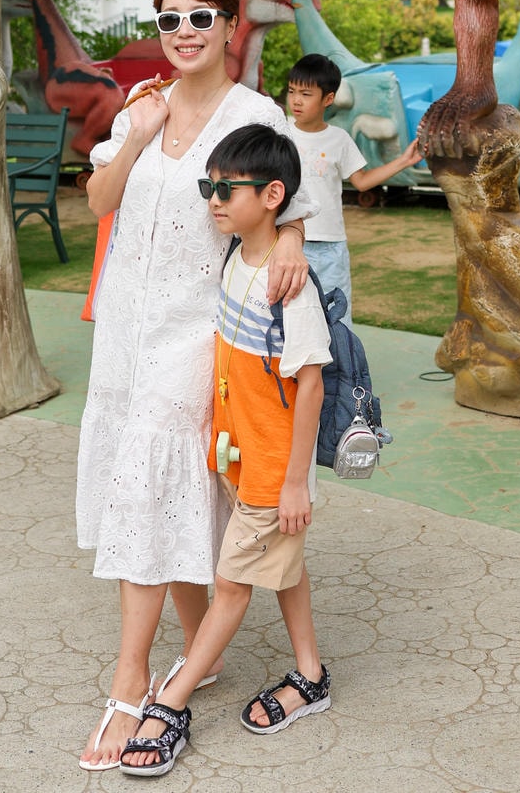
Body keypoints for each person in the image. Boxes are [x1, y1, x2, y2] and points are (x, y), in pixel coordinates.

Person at [77, 0, 316, 771]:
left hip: (194, 332)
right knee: (168, 491)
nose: (184, 35)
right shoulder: (143, 106)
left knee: (152, 484)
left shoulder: (255, 114)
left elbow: (292, 210)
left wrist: (286, 242)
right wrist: (137, 136)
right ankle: (199, 650)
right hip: (123, 329)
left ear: (229, 27)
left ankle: (131, 678)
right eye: (170, 21)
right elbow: (98, 202)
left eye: (200, 20)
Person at [119, 124, 332, 777]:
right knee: (284, 568)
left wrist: (295, 483)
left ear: (271, 195)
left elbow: (312, 384)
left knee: (232, 585)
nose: (213, 200)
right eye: (208, 186)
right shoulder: (238, 259)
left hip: (272, 472)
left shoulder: (286, 285)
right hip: (243, 459)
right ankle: (311, 674)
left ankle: (173, 705)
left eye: (226, 189)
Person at [286, 52, 423, 321]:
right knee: (289, 315)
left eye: (306, 94)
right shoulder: (280, 133)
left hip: (330, 246)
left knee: (335, 317)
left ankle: (342, 364)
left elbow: (362, 182)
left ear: (328, 99)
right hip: (288, 241)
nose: (296, 100)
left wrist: (403, 162)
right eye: (292, 92)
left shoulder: (339, 139)